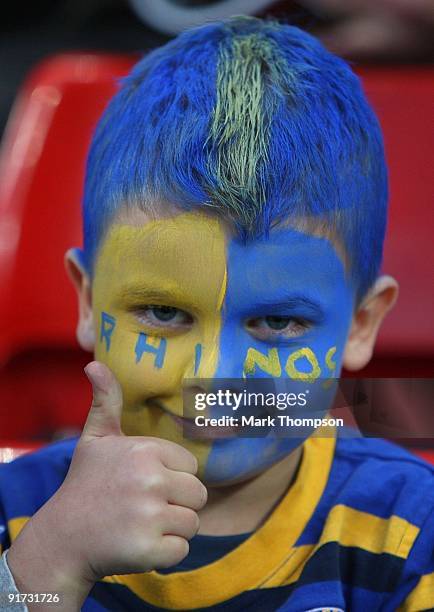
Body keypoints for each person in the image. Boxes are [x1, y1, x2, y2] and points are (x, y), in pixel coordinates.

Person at [0, 15, 433, 612]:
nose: (213, 377)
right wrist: (47, 568)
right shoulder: (17, 512)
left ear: (362, 324)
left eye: (278, 324)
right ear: (86, 301)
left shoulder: (408, 525)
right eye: (162, 312)